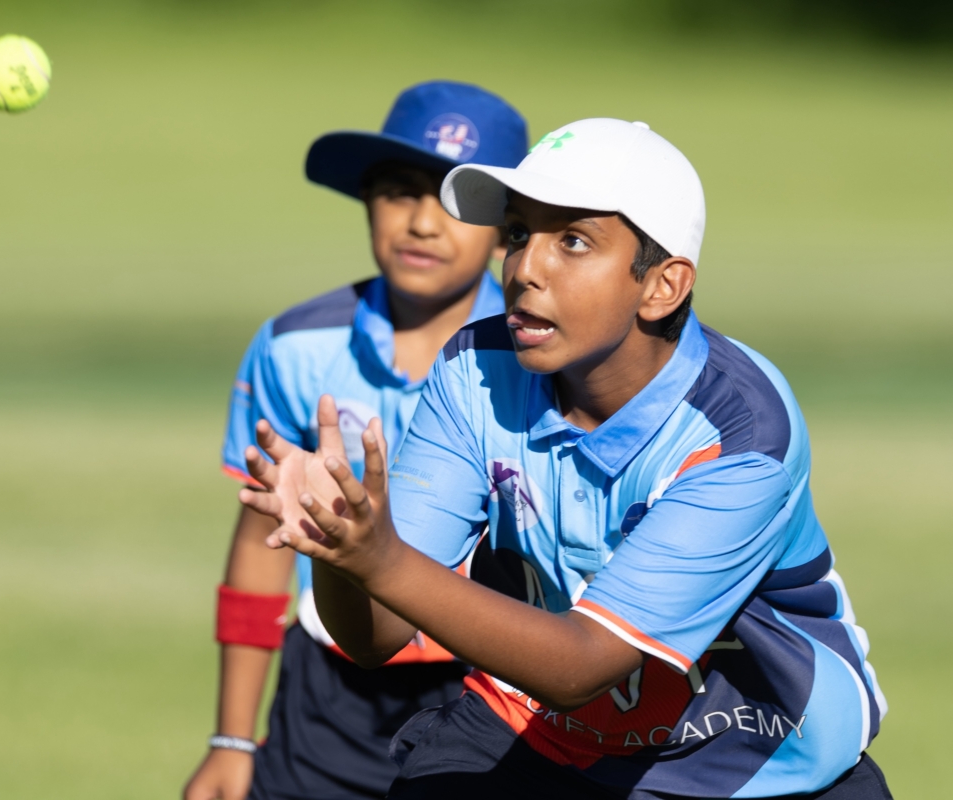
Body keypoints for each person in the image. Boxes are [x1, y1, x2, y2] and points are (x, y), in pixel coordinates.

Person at [238, 118, 892, 799]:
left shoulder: (739, 433)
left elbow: (582, 663)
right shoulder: (476, 368)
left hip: (759, 760)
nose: (524, 268)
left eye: (572, 241)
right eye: (517, 234)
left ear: (662, 286)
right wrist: (339, 547)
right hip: (544, 737)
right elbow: (374, 637)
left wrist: (382, 560)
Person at [183, 81, 529, 800]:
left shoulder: (541, 357)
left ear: (507, 229)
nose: (424, 223)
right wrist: (230, 737)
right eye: (401, 191)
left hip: (494, 681)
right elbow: (260, 543)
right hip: (331, 688)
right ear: (368, 202)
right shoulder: (294, 348)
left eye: (456, 202)